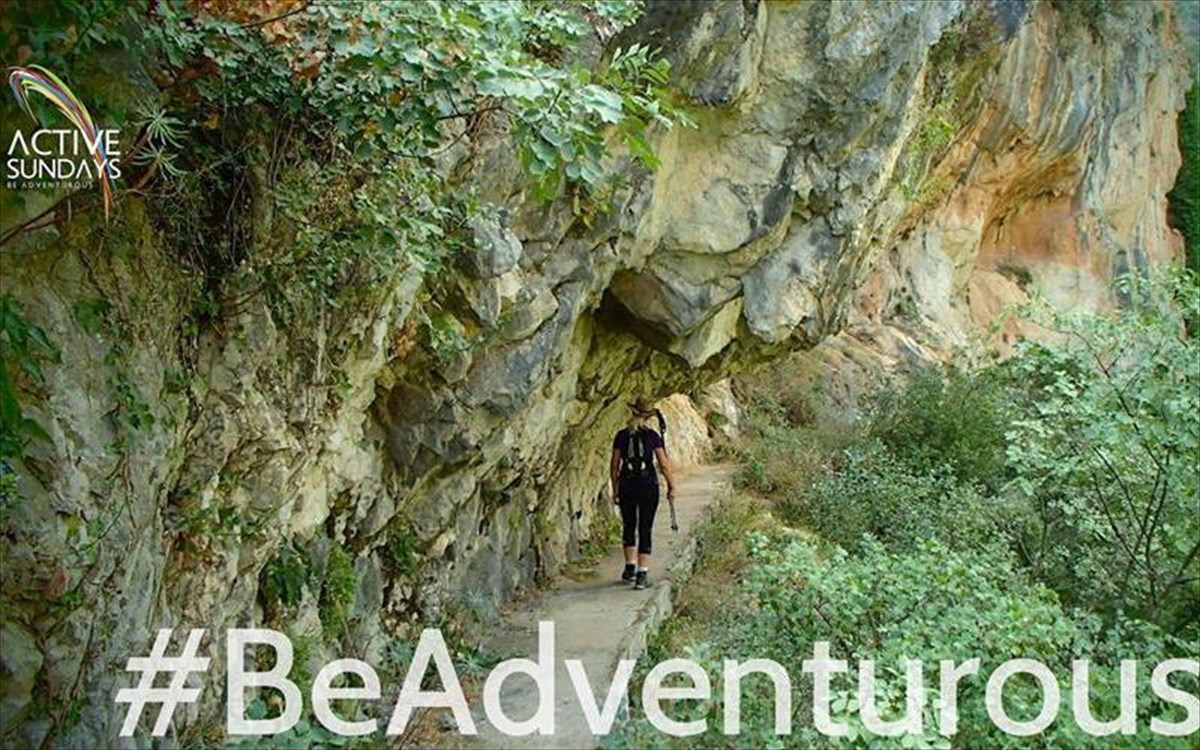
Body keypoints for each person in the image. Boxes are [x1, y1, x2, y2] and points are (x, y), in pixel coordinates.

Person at [610, 396, 677, 590]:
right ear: (648, 416)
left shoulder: (621, 436)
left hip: (627, 485)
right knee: (645, 528)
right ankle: (642, 574)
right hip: (648, 485)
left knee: (629, 525)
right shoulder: (652, 436)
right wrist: (672, 486)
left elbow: (614, 466)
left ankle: (629, 567)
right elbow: (664, 465)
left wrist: (615, 489)